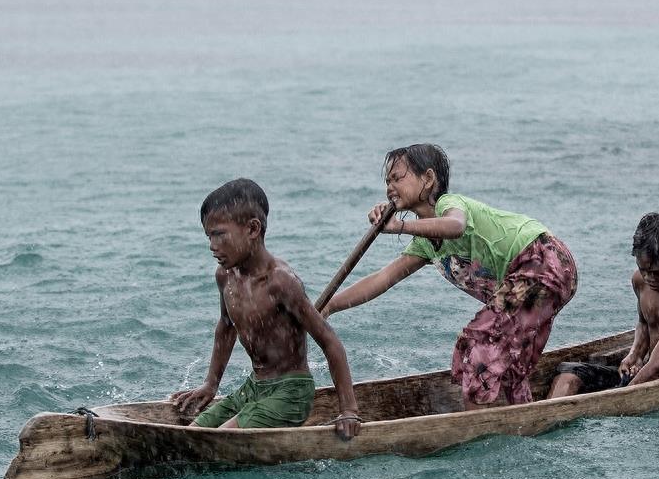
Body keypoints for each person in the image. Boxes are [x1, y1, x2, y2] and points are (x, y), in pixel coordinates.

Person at [322, 144, 578, 409]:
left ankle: (477, 425)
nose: (389, 187)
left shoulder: (449, 204)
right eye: (387, 181)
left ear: (429, 179)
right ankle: (521, 417)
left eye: (398, 178)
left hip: (543, 261)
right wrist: (330, 306)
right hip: (535, 280)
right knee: (506, 366)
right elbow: (383, 278)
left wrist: (400, 226)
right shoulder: (424, 244)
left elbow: (455, 226)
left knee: (476, 344)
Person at [170, 178, 362, 439]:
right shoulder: (225, 276)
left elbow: (330, 343)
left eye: (219, 234)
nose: (212, 246)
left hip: (291, 393)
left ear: (252, 229)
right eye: (208, 236)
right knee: (191, 434)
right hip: (254, 387)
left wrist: (348, 410)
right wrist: (211, 384)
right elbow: (226, 327)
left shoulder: (281, 282)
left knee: (217, 441)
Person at [547, 213, 659, 398]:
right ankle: (544, 414)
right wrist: (635, 355)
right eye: (643, 270)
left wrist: (623, 393)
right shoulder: (640, 281)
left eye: (657, 272)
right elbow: (645, 323)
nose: (649, 277)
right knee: (568, 372)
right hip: (649, 368)